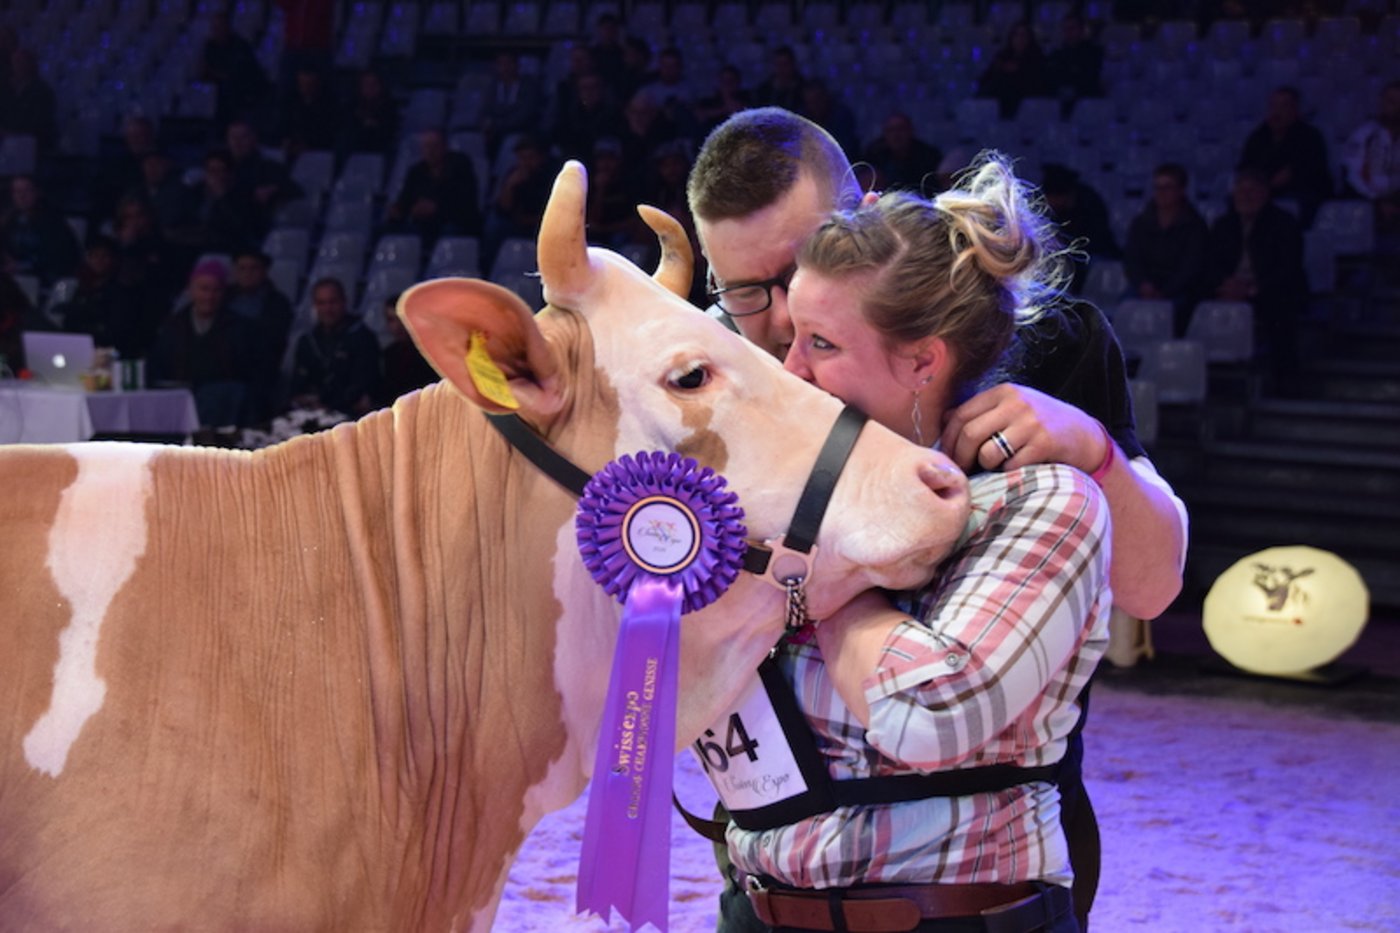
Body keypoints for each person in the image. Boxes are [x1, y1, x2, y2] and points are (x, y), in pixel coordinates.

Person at [687, 108, 1188, 929]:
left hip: (976, 872)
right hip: (769, 868)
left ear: (863, 212)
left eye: (803, 267)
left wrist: (1093, 448)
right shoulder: (708, 370)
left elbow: (1153, 585)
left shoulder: (1046, 340)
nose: (779, 326)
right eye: (746, 291)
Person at [1206, 166, 1308, 392]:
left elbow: (1288, 268)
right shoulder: (1224, 225)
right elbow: (1210, 263)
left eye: (1252, 190)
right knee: (1191, 303)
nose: (1245, 196)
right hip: (1229, 289)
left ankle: (1285, 379)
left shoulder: (1283, 223)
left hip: (1270, 290)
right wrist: (1225, 284)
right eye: (1241, 191)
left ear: (1265, 193)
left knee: (1280, 310)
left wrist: (1252, 289)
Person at [146, 259, 256, 428]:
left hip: (222, 405)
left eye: (216, 290)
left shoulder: (240, 327)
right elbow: (159, 366)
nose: (209, 297)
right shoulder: (174, 325)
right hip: (179, 401)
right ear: (191, 290)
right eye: (204, 289)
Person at [1123, 163, 1210, 336]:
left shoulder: (1194, 225)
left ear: (1181, 190)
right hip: (1144, 286)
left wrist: (1165, 291)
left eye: (1168, 187)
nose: (1162, 193)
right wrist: (1143, 284)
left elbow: (1191, 266)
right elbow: (1132, 259)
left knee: (1177, 310)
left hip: (1179, 290)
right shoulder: (1140, 223)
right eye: (1158, 187)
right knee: (1125, 309)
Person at [1238, 86, 1333, 228]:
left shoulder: (1310, 137)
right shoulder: (1258, 137)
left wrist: (1274, 183)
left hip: (1301, 192)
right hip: (1263, 191)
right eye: (1273, 106)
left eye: (1283, 106)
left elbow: (1308, 172)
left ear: (1295, 110)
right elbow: (1246, 168)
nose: (1277, 112)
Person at [288, 277, 380, 418]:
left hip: (349, 415)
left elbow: (364, 384)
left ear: (344, 302)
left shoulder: (362, 337)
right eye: (321, 303)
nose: (327, 309)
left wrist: (330, 404)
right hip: (310, 414)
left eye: (333, 302)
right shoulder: (307, 341)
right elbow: (298, 384)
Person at [225, 248, 294, 422]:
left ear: (264, 271)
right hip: (225, 367)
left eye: (253, 268)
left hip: (261, 369)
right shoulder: (223, 298)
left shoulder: (278, 302)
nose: (247, 273)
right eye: (242, 268)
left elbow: (275, 343)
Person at [384, 127, 483, 245]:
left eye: (434, 146)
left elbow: (465, 203)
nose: (430, 151)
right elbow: (405, 200)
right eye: (426, 147)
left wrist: (436, 208)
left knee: (448, 232)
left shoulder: (460, 165)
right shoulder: (416, 171)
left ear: (444, 147)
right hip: (423, 224)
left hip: (455, 221)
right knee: (387, 229)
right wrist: (397, 210)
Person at [1342, 79, 1400, 247]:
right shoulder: (1364, 134)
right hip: (1369, 202)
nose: (1394, 107)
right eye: (1390, 101)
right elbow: (1353, 175)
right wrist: (1377, 202)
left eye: (1398, 102)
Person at [0, 174, 80, 286]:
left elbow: (59, 257)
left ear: (37, 192)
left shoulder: (52, 221)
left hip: (45, 279)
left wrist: (22, 266)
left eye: (27, 190)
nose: (21, 196)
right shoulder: (11, 220)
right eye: (17, 191)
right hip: (15, 277)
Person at [858, 111, 945, 195]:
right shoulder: (875, 154)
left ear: (910, 130)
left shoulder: (928, 155)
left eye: (901, 129)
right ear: (884, 133)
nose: (896, 135)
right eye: (891, 130)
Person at [976, 21, 1048, 119]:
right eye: (1016, 35)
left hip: (1023, 105)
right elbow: (984, 79)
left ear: (1030, 38)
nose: (1019, 39)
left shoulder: (1037, 59)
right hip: (997, 101)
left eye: (1023, 35)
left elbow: (1036, 85)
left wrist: (1018, 71)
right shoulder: (1002, 57)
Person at [377, 291, 438, 406]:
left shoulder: (430, 352)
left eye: (402, 318)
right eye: (391, 319)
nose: (398, 325)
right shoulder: (388, 354)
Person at [1045, 12, 1105, 116]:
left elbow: (1089, 79)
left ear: (1082, 30)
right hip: (1058, 100)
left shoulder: (1094, 53)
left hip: (1084, 104)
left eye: (1072, 28)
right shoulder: (1056, 54)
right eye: (1065, 29)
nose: (1068, 32)